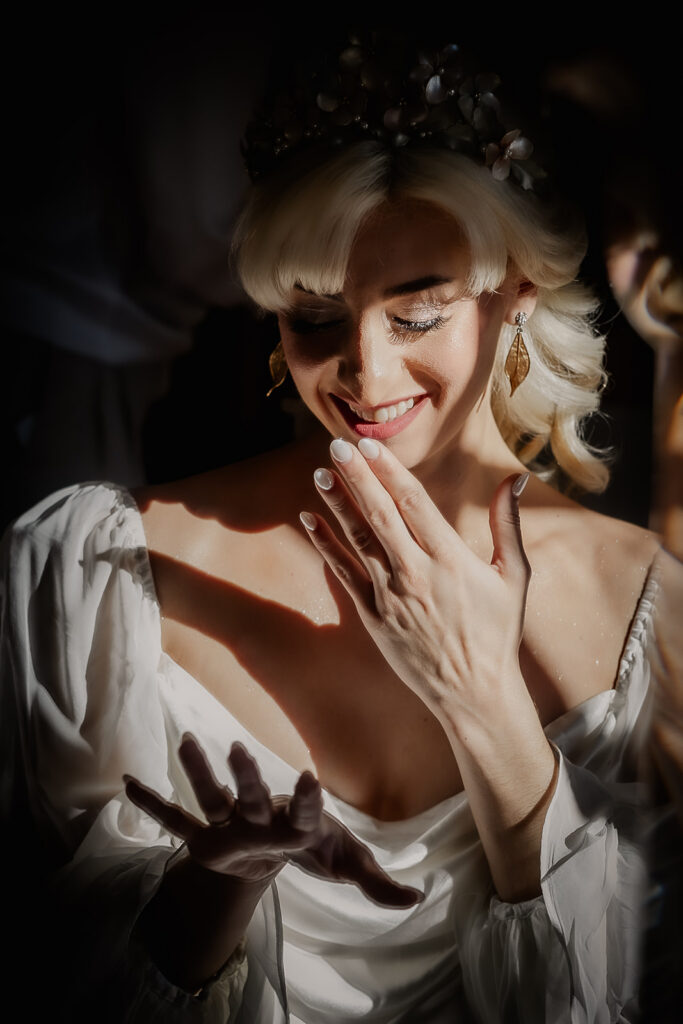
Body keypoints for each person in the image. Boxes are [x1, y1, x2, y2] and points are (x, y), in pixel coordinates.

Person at [1, 26, 681, 1023]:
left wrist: (483, 700)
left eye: (415, 314)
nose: (363, 374)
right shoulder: (98, 568)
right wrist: (217, 884)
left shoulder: (649, 614)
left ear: (513, 294)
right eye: (315, 318)